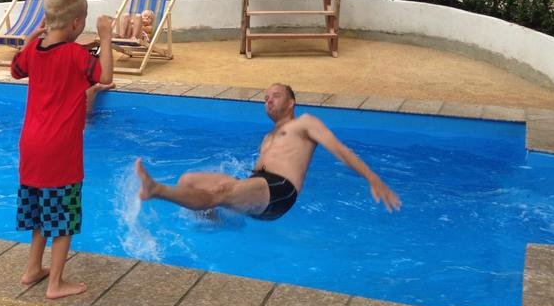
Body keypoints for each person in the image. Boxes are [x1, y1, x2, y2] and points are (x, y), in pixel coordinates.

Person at [135, 83, 401, 220]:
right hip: (260, 188)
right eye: (265, 98)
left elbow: (340, 150)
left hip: (281, 191)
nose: (268, 100)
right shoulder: (267, 138)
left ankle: (156, 190)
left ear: (291, 101)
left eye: (275, 95)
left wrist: (373, 178)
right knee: (188, 180)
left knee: (220, 192)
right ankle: (218, 227)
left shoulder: (304, 123)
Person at [11, 0, 114, 299]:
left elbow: (16, 69)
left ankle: (32, 269)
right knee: (64, 218)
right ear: (76, 23)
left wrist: (30, 38)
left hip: (31, 147)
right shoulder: (75, 55)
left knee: (40, 212)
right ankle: (55, 283)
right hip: (60, 151)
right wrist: (106, 38)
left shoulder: (34, 50)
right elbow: (105, 76)